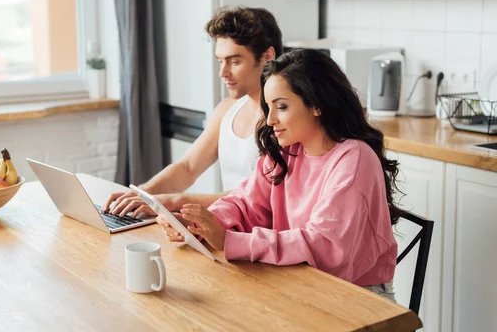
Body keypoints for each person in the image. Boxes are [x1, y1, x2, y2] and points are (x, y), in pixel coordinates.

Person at [160, 48, 402, 300]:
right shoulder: (286, 152)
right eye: (268, 107)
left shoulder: (354, 159)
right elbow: (245, 204)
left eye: (282, 106)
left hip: (358, 297)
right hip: (300, 282)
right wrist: (203, 225)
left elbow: (324, 246)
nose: (271, 119)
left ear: (316, 105)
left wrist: (232, 241)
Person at [102, 6, 283, 217]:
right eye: (220, 61)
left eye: (234, 61)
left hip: (262, 237)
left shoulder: (283, 119)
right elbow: (188, 167)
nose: (223, 73)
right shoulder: (227, 110)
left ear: (267, 57)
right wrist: (144, 192)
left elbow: (259, 195)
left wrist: (176, 201)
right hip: (226, 228)